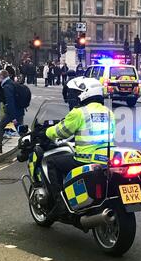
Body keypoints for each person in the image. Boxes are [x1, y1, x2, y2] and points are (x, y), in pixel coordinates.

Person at [45, 78, 115, 216]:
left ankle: (60, 203)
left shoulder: (80, 112)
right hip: (105, 158)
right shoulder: (108, 112)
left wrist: (47, 132)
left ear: (86, 93)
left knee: (52, 163)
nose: (76, 96)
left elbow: (60, 132)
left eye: (79, 93)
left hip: (84, 159)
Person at [0, 70, 25, 154]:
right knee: (20, 129)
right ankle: (28, 145)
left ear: (1, 77)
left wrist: (13, 117)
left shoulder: (7, 86)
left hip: (12, 112)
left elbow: (10, 102)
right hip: (19, 110)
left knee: (0, 126)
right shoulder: (12, 83)